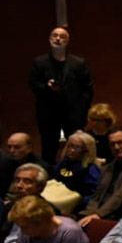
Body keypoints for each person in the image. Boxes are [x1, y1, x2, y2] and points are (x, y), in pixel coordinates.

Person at [29, 27, 94, 163]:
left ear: (68, 41)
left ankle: (78, 176)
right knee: (48, 148)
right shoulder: (39, 62)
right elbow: (33, 85)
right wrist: (47, 87)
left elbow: (87, 88)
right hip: (48, 114)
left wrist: (82, 110)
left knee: (77, 146)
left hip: (73, 114)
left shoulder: (78, 63)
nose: (58, 39)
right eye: (55, 35)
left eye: (62, 36)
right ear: (49, 39)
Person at [49, 132, 100, 208]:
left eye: (77, 147)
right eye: (70, 146)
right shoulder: (64, 163)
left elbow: (94, 196)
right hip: (57, 200)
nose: (71, 150)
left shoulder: (91, 170)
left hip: (76, 206)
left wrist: (77, 202)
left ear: (86, 150)